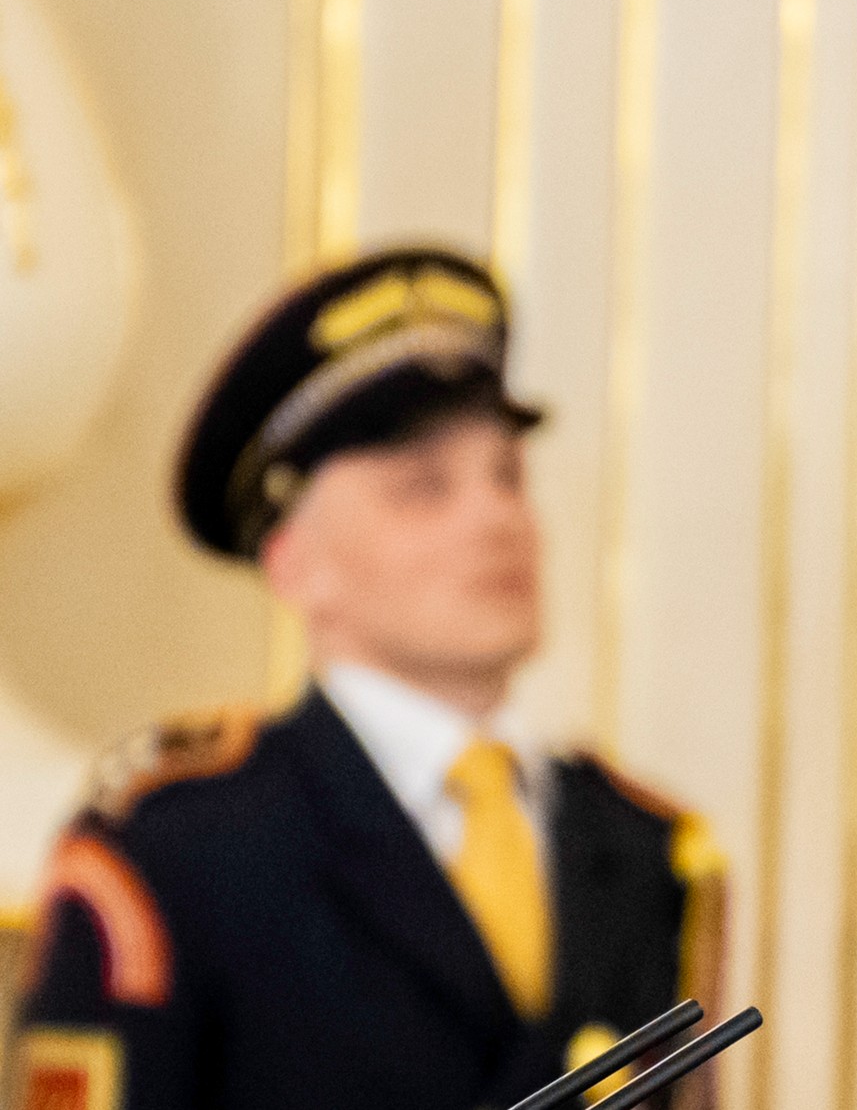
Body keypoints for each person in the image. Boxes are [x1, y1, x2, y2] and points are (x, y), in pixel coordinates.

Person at [8, 248, 725, 1110]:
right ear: (294, 562)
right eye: (422, 487)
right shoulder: (182, 849)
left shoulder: (641, 850)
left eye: (508, 476)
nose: (495, 518)